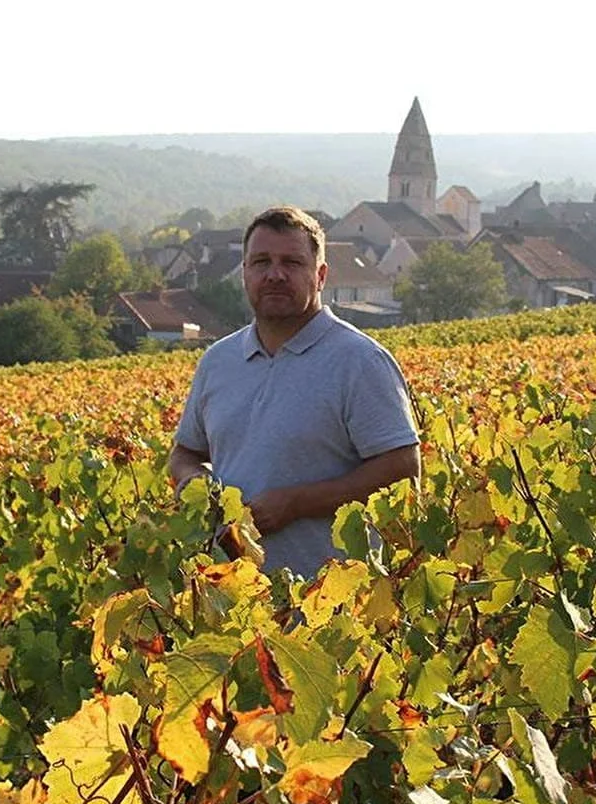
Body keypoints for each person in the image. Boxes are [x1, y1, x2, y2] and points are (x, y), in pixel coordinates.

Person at [168, 206, 421, 577]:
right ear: (244, 273)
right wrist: (193, 481)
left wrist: (298, 503)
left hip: (330, 600)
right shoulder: (217, 361)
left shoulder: (359, 361)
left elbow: (403, 470)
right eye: (261, 262)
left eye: (292, 262)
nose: (275, 274)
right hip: (232, 596)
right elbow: (184, 454)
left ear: (320, 276)